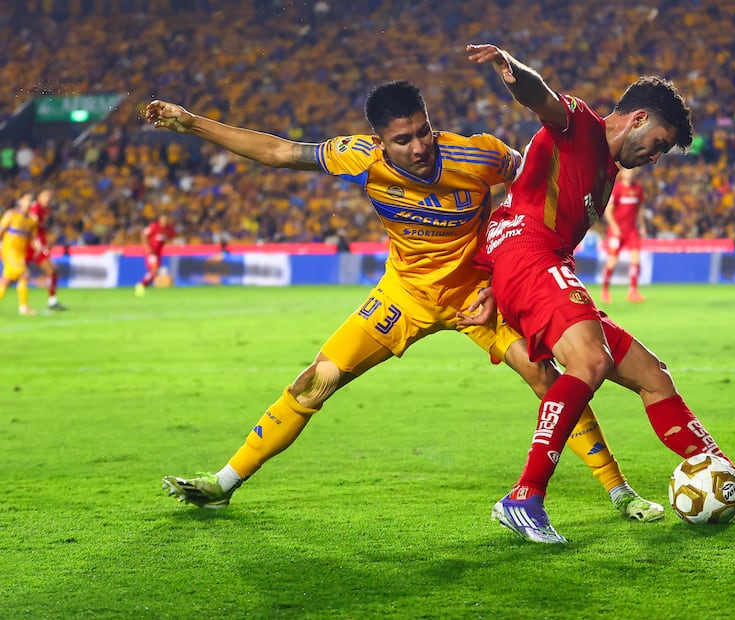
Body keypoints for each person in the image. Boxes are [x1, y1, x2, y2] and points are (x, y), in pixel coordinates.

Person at [147, 80, 665, 522]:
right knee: (315, 381)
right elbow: (279, 152)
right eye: (403, 140)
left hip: (476, 294)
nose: (419, 147)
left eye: (423, 131)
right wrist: (191, 123)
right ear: (380, 142)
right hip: (405, 293)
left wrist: (504, 271)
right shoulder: (359, 157)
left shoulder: (478, 154)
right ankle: (223, 482)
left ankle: (620, 492)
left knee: (549, 379)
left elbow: (532, 186)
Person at [463, 43, 735, 544]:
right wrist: (512, 71)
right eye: (657, 143)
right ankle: (524, 495)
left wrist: (492, 283)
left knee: (654, 376)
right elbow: (541, 97)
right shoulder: (583, 126)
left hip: (537, 268)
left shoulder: (608, 173)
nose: (655, 157)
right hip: (532, 260)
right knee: (589, 363)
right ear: (637, 118)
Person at [601, 167, 647, 303]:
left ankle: (633, 291)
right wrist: (614, 227)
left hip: (631, 230)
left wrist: (642, 226)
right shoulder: (617, 188)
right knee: (613, 260)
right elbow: (608, 211)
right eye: (628, 171)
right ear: (623, 173)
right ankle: (605, 290)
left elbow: (639, 209)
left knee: (636, 259)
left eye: (632, 171)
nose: (630, 174)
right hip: (617, 231)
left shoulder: (638, 189)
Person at [26, 189, 67, 311]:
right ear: (39, 196)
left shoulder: (45, 210)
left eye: (49, 197)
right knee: (15, 275)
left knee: (53, 271)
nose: (48, 199)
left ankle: (52, 301)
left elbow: (40, 229)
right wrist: (37, 243)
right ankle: (51, 301)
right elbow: (31, 227)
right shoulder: (35, 208)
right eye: (45, 196)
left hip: (38, 244)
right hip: (33, 246)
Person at [0, 192, 39, 316]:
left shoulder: (32, 220)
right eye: (26, 199)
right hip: (9, 251)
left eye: (31, 200)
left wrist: (37, 245)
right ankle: (23, 307)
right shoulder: (11, 214)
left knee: (6, 281)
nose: (29, 203)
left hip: (20, 253)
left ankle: (24, 307)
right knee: (24, 274)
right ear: (20, 201)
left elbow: (32, 237)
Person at [135, 213, 175, 296]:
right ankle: (141, 285)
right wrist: (147, 247)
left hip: (158, 254)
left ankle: (142, 286)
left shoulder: (168, 229)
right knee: (154, 270)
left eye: (166, 220)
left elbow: (170, 238)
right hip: (151, 252)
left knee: (155, 272)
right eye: (163, 220)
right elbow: (143, 235)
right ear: (159, 220)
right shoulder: (153, 227)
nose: (164, 221)